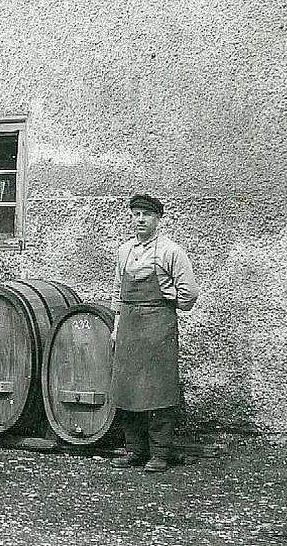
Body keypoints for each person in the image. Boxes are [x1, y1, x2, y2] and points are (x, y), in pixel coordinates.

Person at [110, 193, 198, 473]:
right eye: (135, 214)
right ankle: (135, 451)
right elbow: (117, 293)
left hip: (159, 327)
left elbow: (190, 294)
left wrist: (169, 300)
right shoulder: (124, 251)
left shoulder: (171, 251)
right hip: (129, 326)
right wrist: (116, 326)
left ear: (158, 219)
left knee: (159, 389)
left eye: (146, 215)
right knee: (127, 389)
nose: (140, 220)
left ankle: (160, 454)